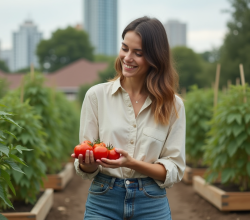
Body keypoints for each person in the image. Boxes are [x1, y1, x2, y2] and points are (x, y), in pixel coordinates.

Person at [71, 16, 186, 220]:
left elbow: (174, 169)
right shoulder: (96, 96)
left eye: (138, 53)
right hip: (103, 199)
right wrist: (87, 162)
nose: (127, 57)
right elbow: (87, 167)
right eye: (124, 48)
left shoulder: (173, 105)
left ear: (155, 58)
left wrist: (131, 163)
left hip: (151, 201)